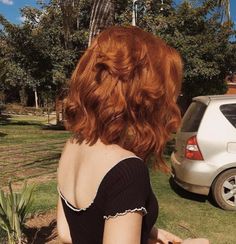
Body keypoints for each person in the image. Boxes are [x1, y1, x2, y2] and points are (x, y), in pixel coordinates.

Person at [57, 26, 209, 244]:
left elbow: (67, 232)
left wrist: (146, 232)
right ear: (144, 94)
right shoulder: (127, 170)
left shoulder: (74, 143)